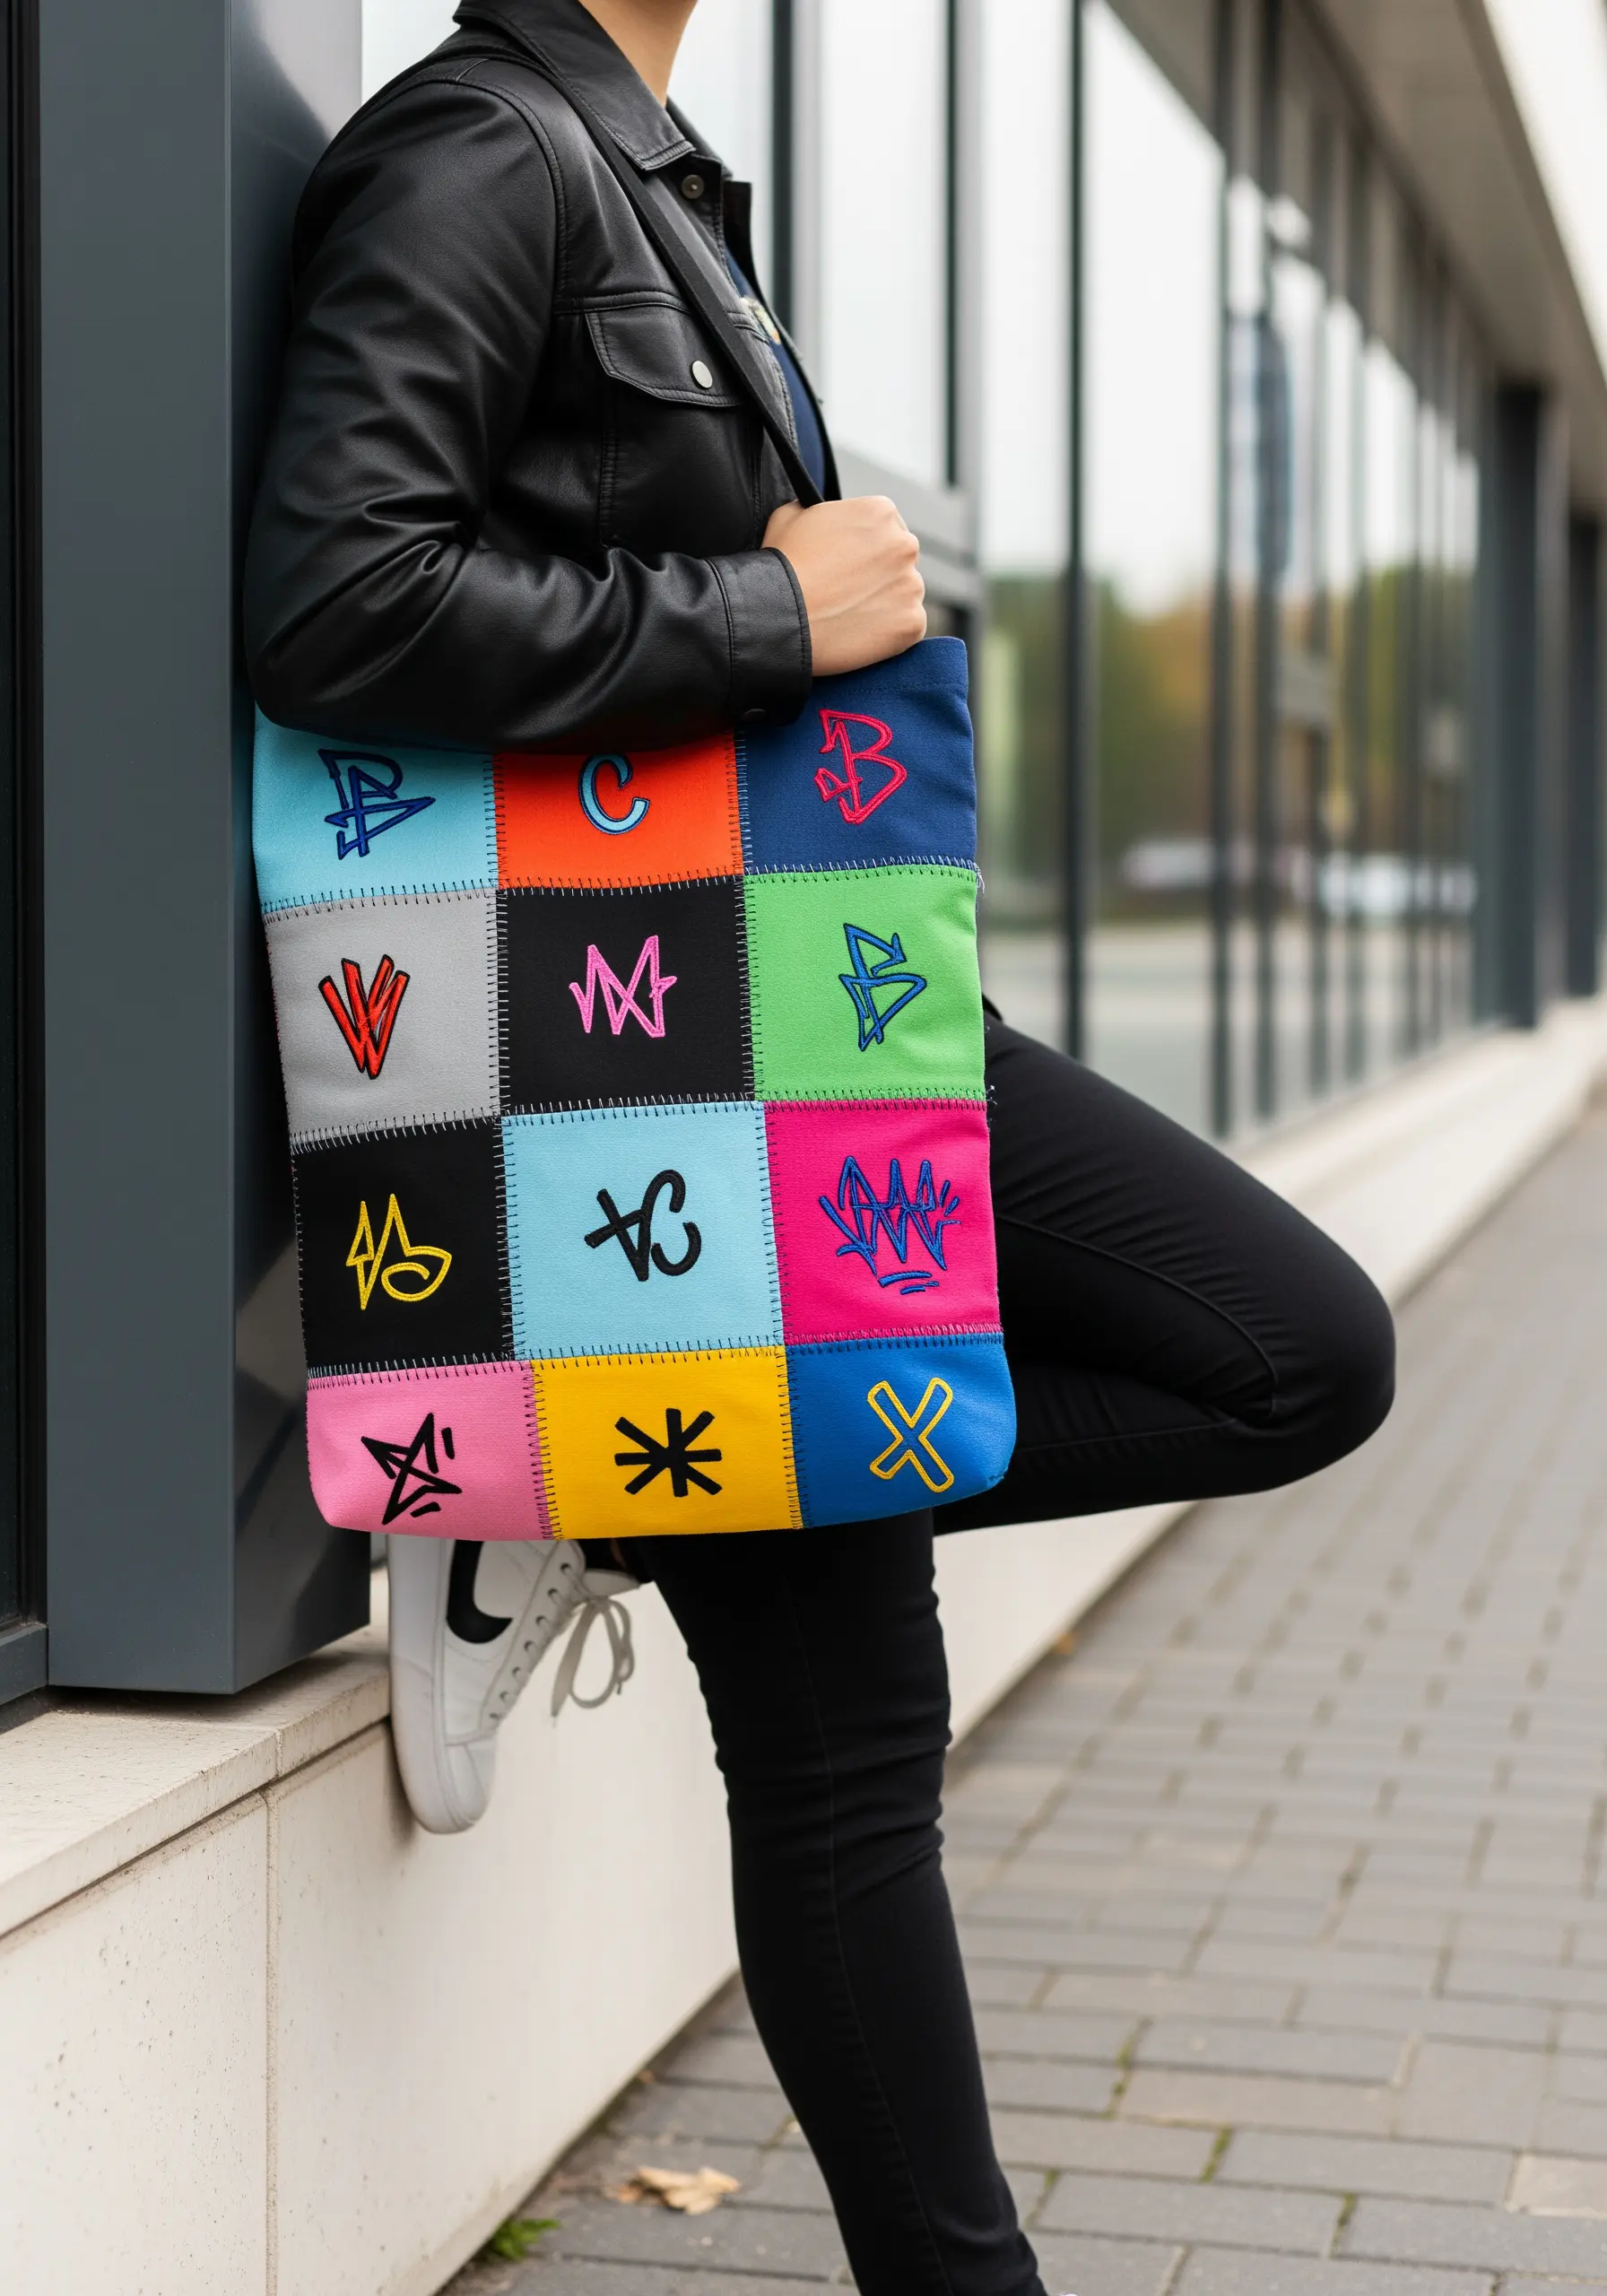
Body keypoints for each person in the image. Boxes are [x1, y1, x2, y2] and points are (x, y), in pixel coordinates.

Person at [244, 4, 1395, 2291]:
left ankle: (630, 1463)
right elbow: (332, 599)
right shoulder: (488, 147)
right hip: (662, 1038)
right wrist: (778, 607)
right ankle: (636, 1454)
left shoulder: (647, 170)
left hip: (780, 1016)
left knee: (908, 1705)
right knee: (1245, 1389)